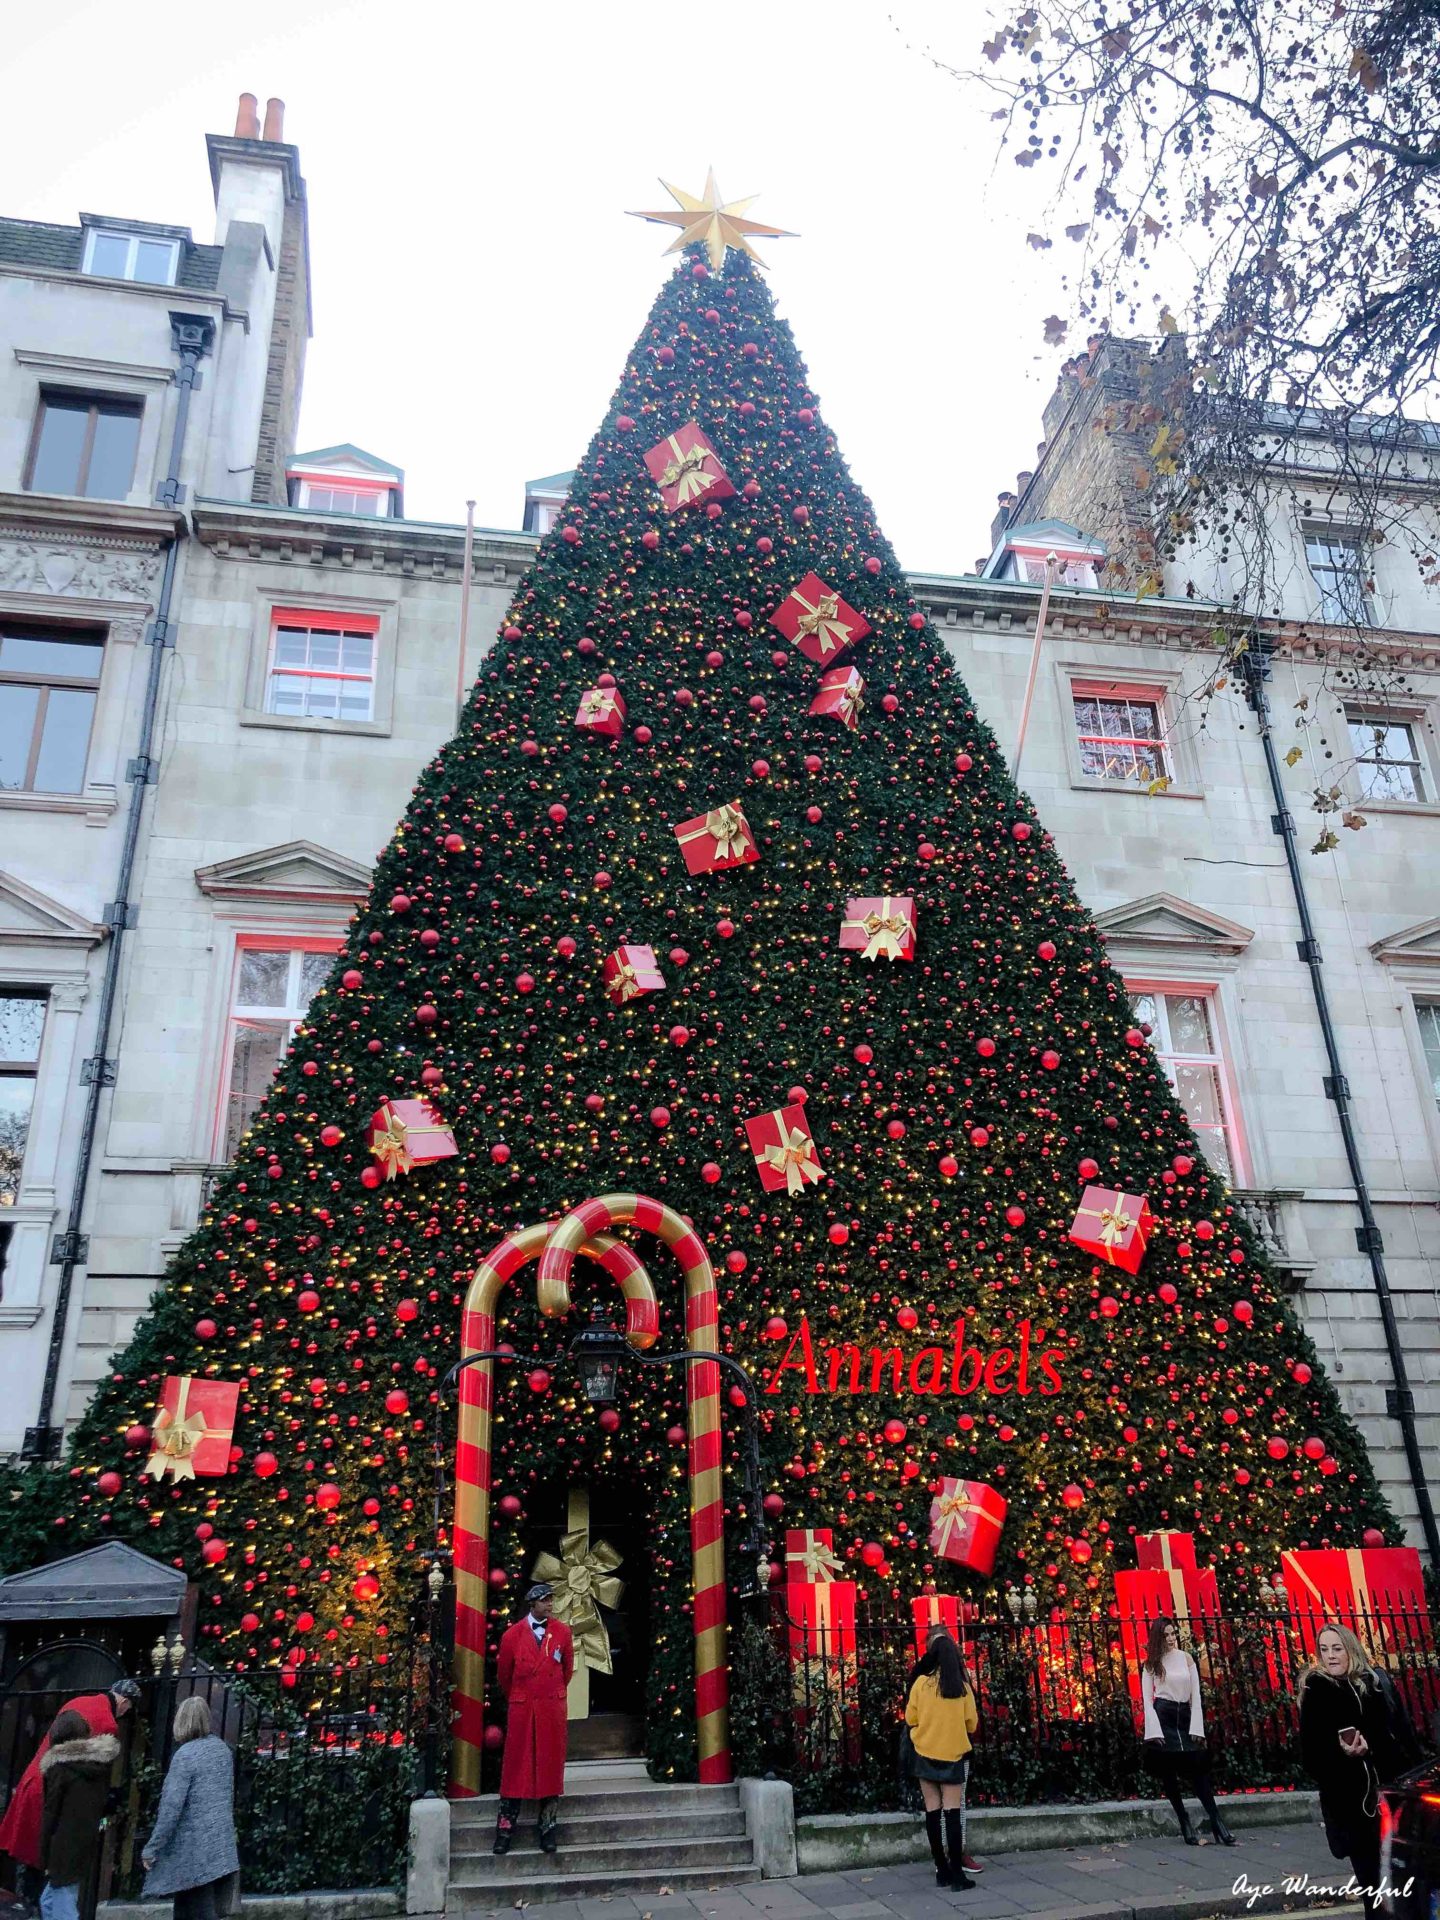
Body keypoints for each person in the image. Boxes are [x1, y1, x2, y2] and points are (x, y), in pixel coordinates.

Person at [1299, 1620, 1421, 1917]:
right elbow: (1310, 1756)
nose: (1331, 1656)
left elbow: (1397, 1737)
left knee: (1403, 1888)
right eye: (1324, 1649)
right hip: (1351, 1806)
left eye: (1337, 1648)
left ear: (1350, 1650)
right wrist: (1341, 1753)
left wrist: (1372, 1749)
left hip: (1388, 1802)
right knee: (1373, 1894)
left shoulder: (1374, 1685)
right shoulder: (1316, 1691)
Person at [1, 1680, 141, 1900]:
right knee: (48, 1868)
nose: (125, 1713)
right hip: (58, 1794)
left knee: (28, 1863)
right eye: (129, 1708)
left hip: (34, 1780)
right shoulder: (108, 1723)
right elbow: (92, 1772)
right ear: (124, 1701)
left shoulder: (79, 1701)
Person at [493, 1582, 575, 1857]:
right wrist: (521, 1695)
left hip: (551, 1710)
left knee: (550, 1769)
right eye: (545, 1601)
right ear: (533, 1604)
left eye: (552, 1601)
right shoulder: (512, 1636)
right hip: (523, 1709)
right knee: (516, 1769)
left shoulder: (562, 1633)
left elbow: (567, 1670)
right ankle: (505, 1830)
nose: (550, 1605)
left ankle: (548, 1830)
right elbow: (504, 1675)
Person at [140, 1698, 239, 1920]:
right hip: (219, 1846)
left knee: (196, 1911)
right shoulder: (222, 1750)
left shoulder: (185, 1756)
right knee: (192, 1909)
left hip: (192, 1851)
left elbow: (171, 1808)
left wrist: (152, 1847)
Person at [1140, 1617, 1234, 1846]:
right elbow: (1147, 1699)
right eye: (1166, 1635)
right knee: (1169, 1773)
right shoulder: (1152, 1663)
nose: (1171, 1639)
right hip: (1164, 1714)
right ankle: (1184, 1821)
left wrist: (1197, 1727)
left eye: (1173, 1634)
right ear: (1158, 1638)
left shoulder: (1186, 1659)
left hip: (1184, 1715)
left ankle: (1217, 1821)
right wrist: (1154, 1731)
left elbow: (1196, 1694)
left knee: (1198, 1772)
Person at [905, 1624, 984, 1874]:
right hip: (954, 1753)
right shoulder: (962, 1686)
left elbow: (910, 1719)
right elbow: (972, 1723)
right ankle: (956, 1865)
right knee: (954, 1809)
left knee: (932, 1810)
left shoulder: (920, 1683)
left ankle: (941, 1867)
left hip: (924, 1751)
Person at [37, 1708, 120, 1920]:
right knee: (50, 1901)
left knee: (63, 1906)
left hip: (62, 1846)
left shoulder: (60, 1769)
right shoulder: (97, 1766)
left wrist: (44, 1851)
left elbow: (51, 1812)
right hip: (84, 1841)